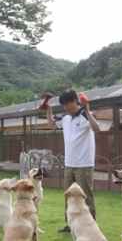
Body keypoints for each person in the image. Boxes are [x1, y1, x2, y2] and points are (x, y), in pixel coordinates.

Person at [45, 89, 101, 233]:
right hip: (69, 164)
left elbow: (97, 129)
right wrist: (49, 111)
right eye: (63, 105)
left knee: (86, 196)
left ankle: (90, 225)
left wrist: (88, 111)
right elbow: (52, 125)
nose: (65, 108)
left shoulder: (86, 116)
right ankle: (70, 225)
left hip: (84, 165)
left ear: (75, 102)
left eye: (67, 104)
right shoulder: (65, 118)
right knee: (69, 196)